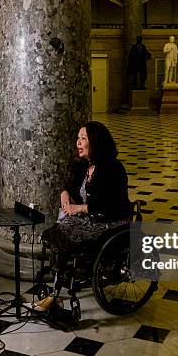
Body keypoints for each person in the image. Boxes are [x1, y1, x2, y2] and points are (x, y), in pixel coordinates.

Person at [34, 121, 131, 311]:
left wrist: (79, 209)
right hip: (93, 217)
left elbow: (111, 205)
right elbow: (72, 187)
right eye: (78, 138)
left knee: (67, 234)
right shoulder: (85, 166)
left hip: (112, 220)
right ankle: (57, 286)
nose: (78, 142)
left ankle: (58, 289)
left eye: (83, 139)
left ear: (95, 142)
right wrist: (64, 194)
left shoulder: (113, 169)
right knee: (57, 232)